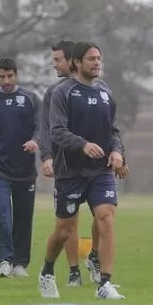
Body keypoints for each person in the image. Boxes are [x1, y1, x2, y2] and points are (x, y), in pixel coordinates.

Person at [39, 41, 126, 301]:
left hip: (100, 172)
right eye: (91, 59)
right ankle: (47, 271)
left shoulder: (105, 92)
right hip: (71, 172)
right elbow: (57, 131)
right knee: (64, 230)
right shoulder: (62, 93)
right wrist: (83, 145)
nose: (97, 63)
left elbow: (113, 130)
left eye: (99, 58)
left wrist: (117, 152)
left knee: (106, 218)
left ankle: (105, 283)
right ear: (77, 63)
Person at [38, 40, 99, 287]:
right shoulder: (55, 92)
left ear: (72, 61)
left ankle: (95, 256)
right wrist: (46, 157)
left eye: (57, 60)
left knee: (104, 214)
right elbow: (46, 128)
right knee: (68, 224)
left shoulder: (98, 89)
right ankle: (74, 271)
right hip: (67, 167)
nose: (54, 65)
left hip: (96, 167)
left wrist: (117, 153)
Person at [0, 58, 41, 278]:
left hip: (25, 170)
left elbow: (41, 127)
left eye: (9, 76)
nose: (6, 81)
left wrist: (35, 141)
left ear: (17, 75)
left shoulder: (31, 99)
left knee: (24, 217)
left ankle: (20, 263)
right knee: (1, 214)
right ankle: (4, 260)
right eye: (1, 77)